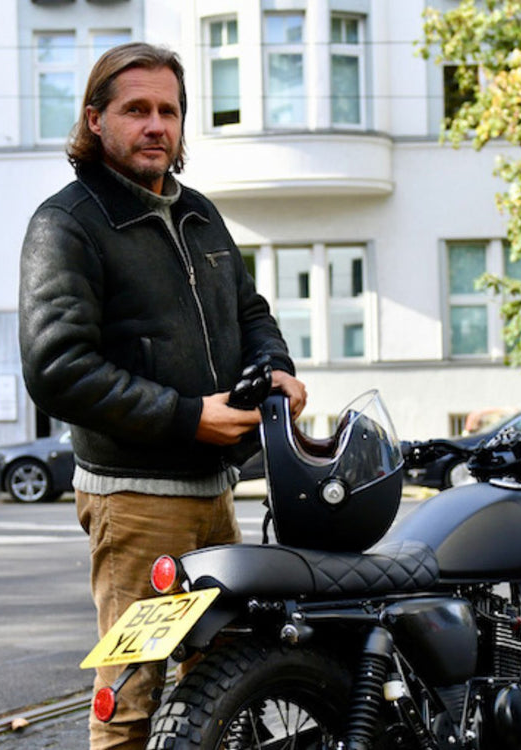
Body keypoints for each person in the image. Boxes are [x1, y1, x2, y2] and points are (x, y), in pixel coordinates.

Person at [17, 42, 306, 750]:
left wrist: (274, 369)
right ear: (96, 120)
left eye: (169, 111)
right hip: (136, 502)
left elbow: (251, 313)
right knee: (130, 702)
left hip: (215, 493)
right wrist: (186, 417)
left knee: (225, 684)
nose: (156, 126)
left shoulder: (199, 213)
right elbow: (57, 367)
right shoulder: (67, 223)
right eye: (136, 110)